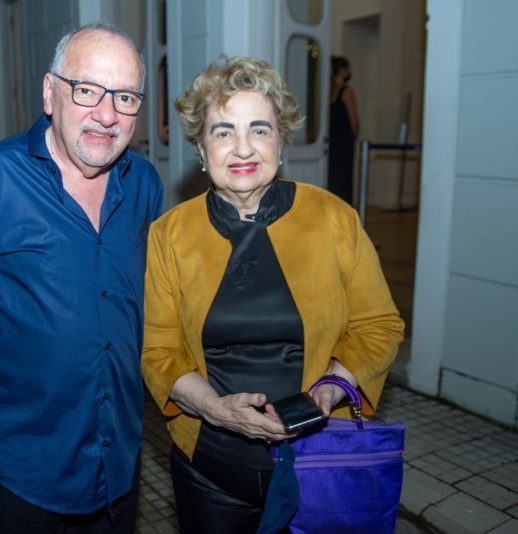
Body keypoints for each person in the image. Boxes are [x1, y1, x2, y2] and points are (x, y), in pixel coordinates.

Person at [140, 56, 403, 533]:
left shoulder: (334, 219)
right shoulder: (169, 235)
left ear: (282, 141)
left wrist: (331, 387)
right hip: (209, 465)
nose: (242, 148)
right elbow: (158, 352)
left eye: (259, 130)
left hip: (318, 458)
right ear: (201, 148)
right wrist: (218, 410)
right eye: (223, 132)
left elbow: (379, 325)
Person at [0, 23, 163, 533]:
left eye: (125, 97)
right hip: (26, 462)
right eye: (88, 90)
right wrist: (3, 370)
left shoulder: (145, 184)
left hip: (118, 449)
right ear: (50, 93)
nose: (107, 114)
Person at [328, 55, 360, 205]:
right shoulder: (347, 91)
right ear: (341, 70)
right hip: (343, 141)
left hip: (332, 140)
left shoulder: (328, 90)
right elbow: (354, 122)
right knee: (343, 179)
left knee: (333, 177)